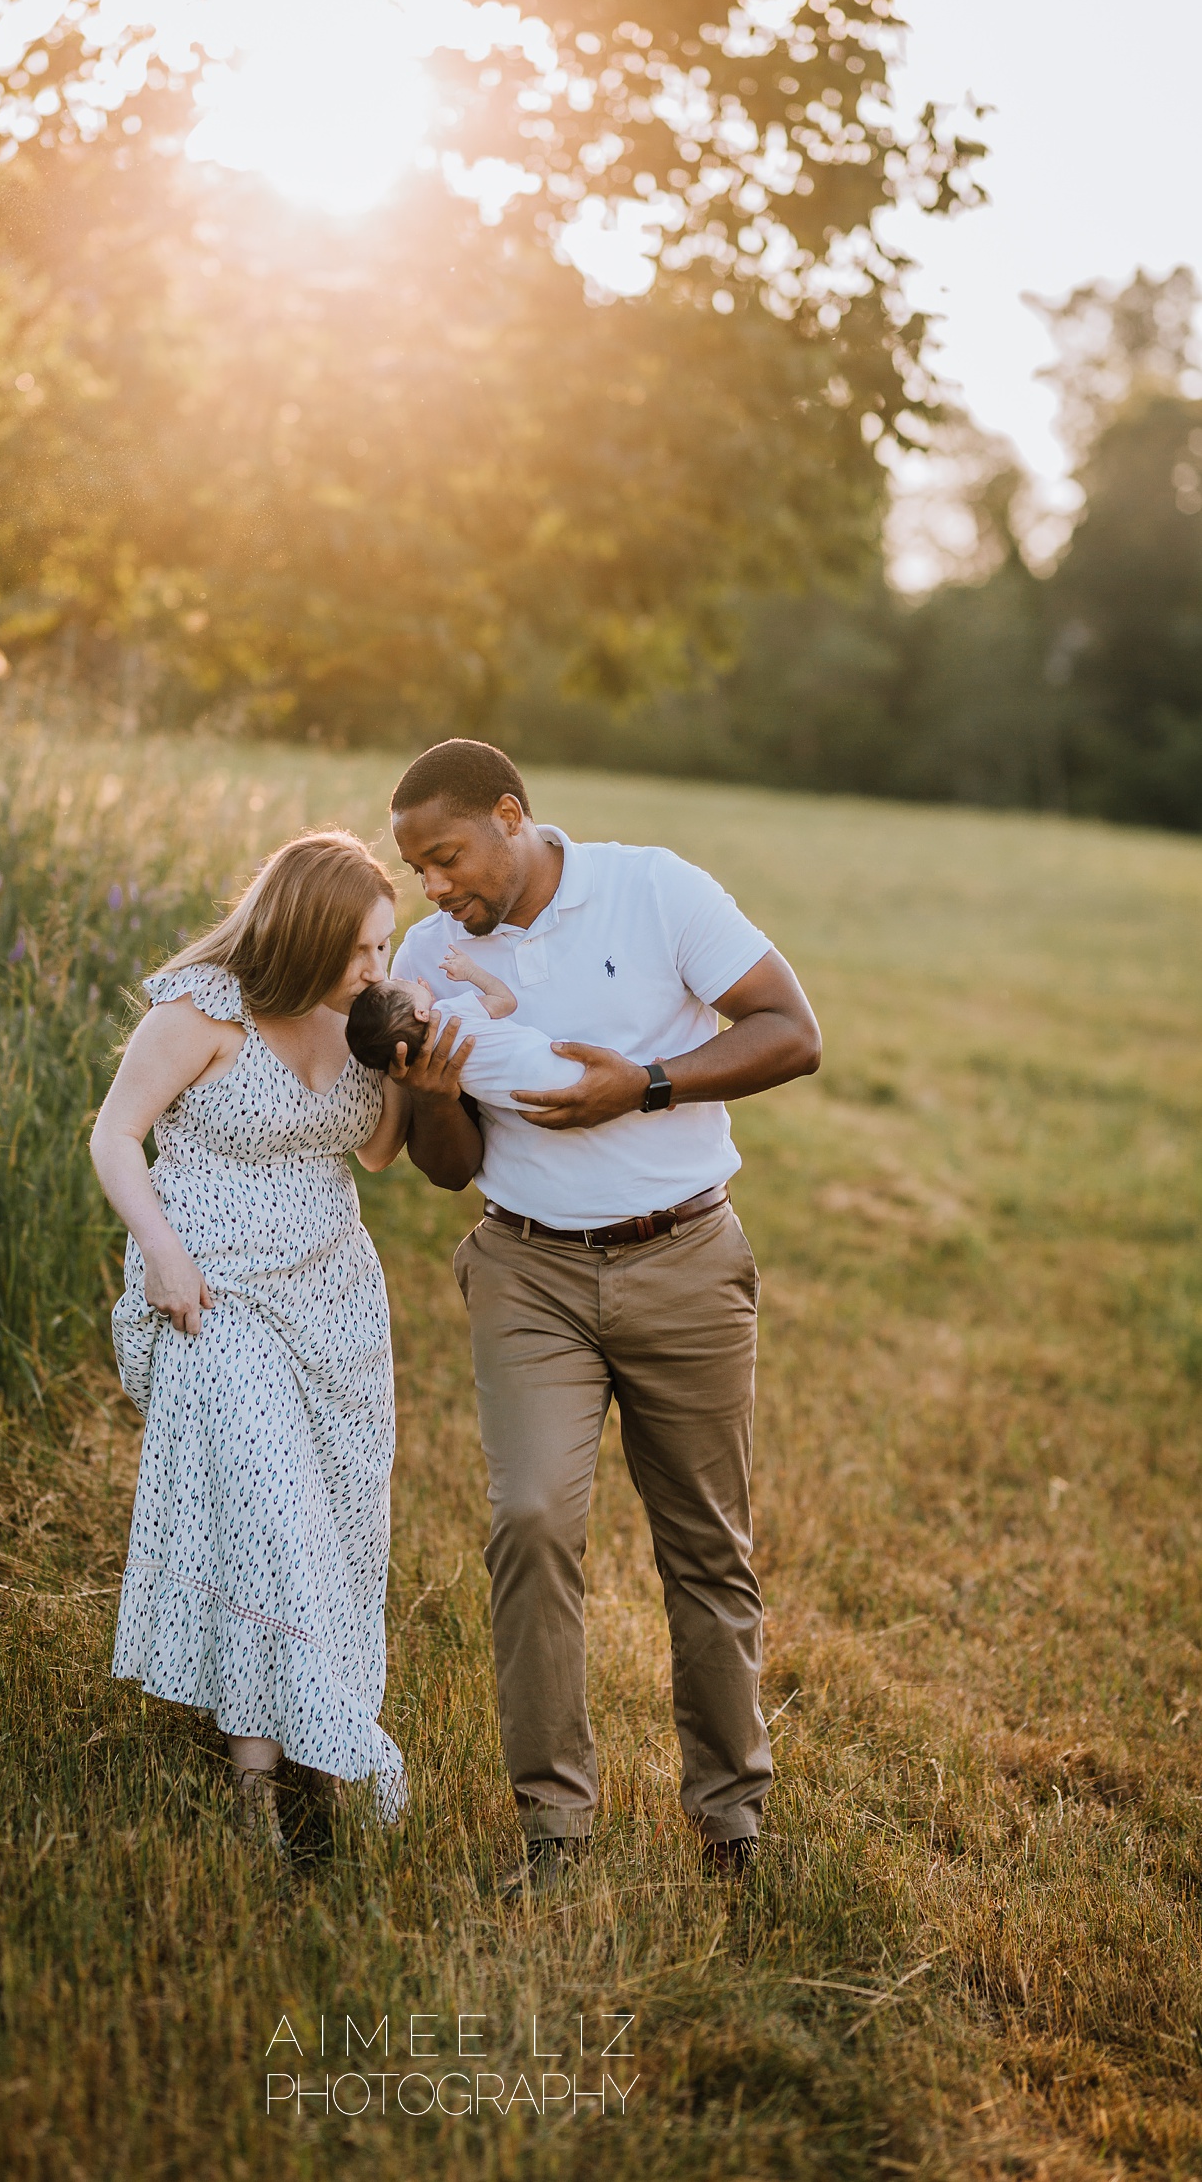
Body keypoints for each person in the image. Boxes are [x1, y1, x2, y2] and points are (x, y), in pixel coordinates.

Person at [387, 739, 822, 1897]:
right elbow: (446, 1166)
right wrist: (430, 1100)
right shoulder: (427, 958)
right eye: (418, 871)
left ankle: (732, 1819)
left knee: (704, 1543)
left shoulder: (654, 887)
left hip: (684, 1256)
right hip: (526, 1270)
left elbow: (792, 1030)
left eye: (446, 858)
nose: (434, 889)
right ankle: (555, 1833)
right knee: (529, 1523)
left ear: (513, 817)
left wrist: (651, 1082)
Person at [90, 830, 410, 1857]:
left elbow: (378, 1151)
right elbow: (114, 1134)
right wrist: (162, 1253)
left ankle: (314, 1724)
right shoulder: (203, 1006)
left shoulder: (359, 1017)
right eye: (364, 950)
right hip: (215, 1296)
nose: (377, 970)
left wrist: (406, 1062)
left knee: (336, 1525)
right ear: (312, 930)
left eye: (386, 950)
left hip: (335, 1298)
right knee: (271, 1518)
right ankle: (254, 1790)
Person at [345, 945, 584, 1110]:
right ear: (421, 1013)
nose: (411, 980)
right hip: (557, 1068)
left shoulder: (429, 1065)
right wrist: (471, 972)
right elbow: (506, 1002)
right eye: (403, 983)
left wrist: (426, 1000)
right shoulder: (450, 1011)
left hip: (529, 1103)